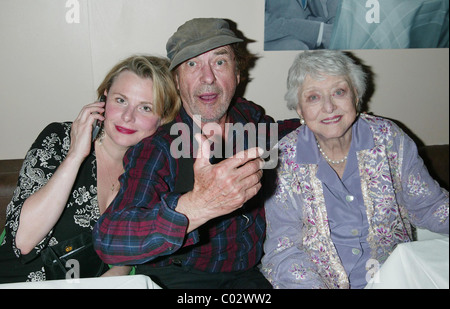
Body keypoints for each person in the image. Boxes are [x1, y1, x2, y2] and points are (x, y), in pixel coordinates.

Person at [93, 18, 299, 289]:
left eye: (220, 61)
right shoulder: (159, 146)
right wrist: (199, 205)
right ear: (176, 81)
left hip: (248, 276)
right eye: (192, 64)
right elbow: (111, 240)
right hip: (180, 278)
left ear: (237, 75)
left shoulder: (248, 117)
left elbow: (287, 131)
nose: (208, 77)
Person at [260, 50, 449, 289]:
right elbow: (284, 248)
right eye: (313, 97)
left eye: (339, 92)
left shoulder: (388, 139)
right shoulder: (283, 160)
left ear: (356, 96)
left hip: (395, 277)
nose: (329, 107)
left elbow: (429, 206)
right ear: (299, 109)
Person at [0, 55, 180, 283]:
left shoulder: (151, 170)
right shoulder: (59, 139)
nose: (127, 116)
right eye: (121, 100)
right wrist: (75, 156)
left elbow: (125, 260)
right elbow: (24, 241)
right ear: (104, 99)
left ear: (162, 118)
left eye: (145, 108)